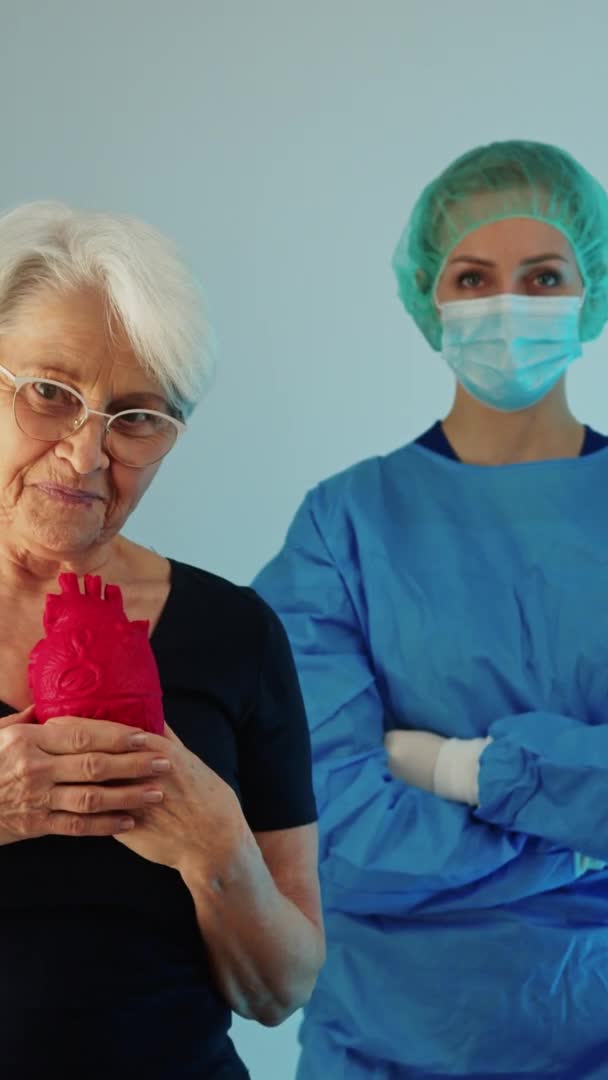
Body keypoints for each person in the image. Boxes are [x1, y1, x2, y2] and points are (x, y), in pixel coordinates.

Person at [252, 140, 608, 1078]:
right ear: (430, 298)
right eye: (473, 275)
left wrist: (456, 768)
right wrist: (576, 847)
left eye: (542, 276)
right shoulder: (346, 525)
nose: (508, 305)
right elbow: (328, 836)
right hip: (381, 1046)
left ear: (591, 293)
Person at [0, 201, 324, 1079]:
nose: (86, 454)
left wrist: (217, 848)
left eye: (136, 417)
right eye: (50, 394)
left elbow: (280, 989)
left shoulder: (236, 635)